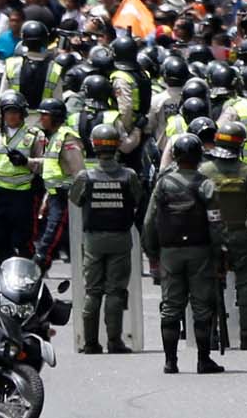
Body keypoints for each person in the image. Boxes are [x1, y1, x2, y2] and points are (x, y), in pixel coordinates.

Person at [145, 133, 224, 375]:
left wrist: (152, 253)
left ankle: (170, 361)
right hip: (200, 252)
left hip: (170, 252)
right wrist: (219, 251)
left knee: (170, 306)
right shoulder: (206, 184)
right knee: (202, 306)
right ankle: (203, 360)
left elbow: (150, 222)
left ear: (176, 157)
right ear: (199, 157)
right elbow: (216, 224)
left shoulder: (163, 184)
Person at [69, 122, 142, 354]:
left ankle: (90, 343)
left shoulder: (85, 176)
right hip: (121, 238)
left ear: (94, 145)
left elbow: (75, 199)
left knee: (93, 291)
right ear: (117, 145)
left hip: (93, 240)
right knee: (115, 291)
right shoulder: (128, 175)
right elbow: (138, 199)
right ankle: (114, 341)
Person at [200, 121, 247, 349]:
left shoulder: (203, 172)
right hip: (243, 236)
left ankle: (212, 335)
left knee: (209, 286)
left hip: (212, 236)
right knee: (246, 284)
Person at [0, 90, 45, 261]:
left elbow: (46, 165)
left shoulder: (35, 135)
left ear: (22, 114)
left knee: (23, 240)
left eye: (15, 112)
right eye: (8, 112)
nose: (11, 116)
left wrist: (26, 162)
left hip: (23, 196)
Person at [32, 98, 83, 268]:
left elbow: (79, 172)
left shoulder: (67, 138)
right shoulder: (53, 137)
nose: (41, 119)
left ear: (55, 117)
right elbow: (50, 166)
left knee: (50, 239)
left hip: (66, 198)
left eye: (45, 116)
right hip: (54, 196)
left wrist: (73, 193)